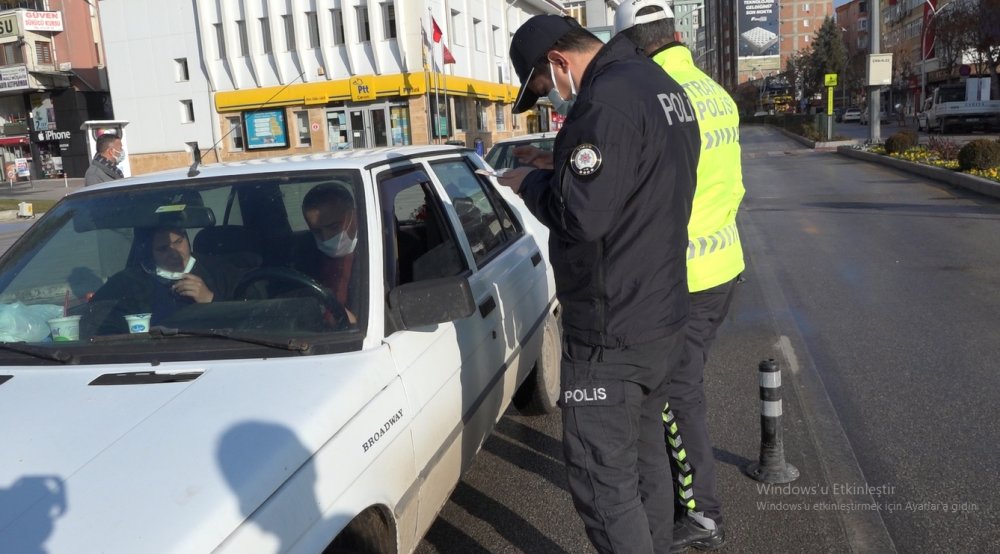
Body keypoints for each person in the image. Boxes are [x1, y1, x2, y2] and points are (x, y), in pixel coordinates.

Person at [498, 14, 701, 553]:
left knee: (603, 484)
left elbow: (583, 216)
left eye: (543, 89)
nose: (551, 100)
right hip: (660, 314)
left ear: (559, 62)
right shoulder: (660, 86)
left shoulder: (603, 100)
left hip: (612, 329)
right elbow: (636, 178)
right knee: (644, 463)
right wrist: (556, 162)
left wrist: (534, 183)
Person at [614, 2, 746, 551]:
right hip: (723, 265)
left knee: (675, 395)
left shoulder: (655, 97)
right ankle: (685, 497)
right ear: (674, 34)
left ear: (632, 45)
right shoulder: (714, 91)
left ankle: (701, 514)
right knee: (681, 390)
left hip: (683, 277)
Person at [83, 226, 240, 335]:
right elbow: (96, 328)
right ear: (149, 252)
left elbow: (254, 321)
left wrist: (211, 300)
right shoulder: (126, 284)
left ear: (187, 239)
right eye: (163, 248)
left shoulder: (220, 270)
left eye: (179, 242)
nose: (174, 253)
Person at [296, 183, 359, 325]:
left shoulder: (379, 250)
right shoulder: (305, 254)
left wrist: (355, 322)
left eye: (333, 226)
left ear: (354, 216)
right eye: (316, 231)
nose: (325, 237)